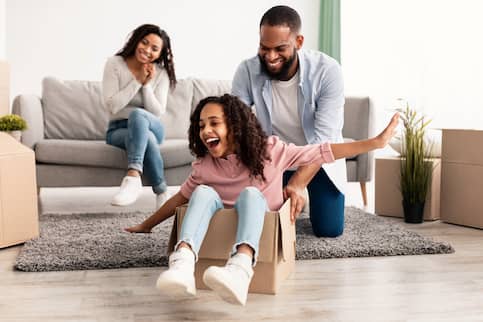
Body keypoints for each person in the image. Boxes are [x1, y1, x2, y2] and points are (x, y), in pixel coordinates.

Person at [125, 94, 399, 306]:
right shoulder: (204, 166)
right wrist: (147, 225)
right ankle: (183, 263)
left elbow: (320, 152)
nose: (205, 130)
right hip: (215, 225)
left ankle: (241, 269)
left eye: (214, 123)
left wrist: (373, 143)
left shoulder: (271, 151)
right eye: (201, 125)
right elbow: (179, 199)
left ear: (235, 126)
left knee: (251, 194)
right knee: (203, 193)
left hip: (257, 226)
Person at [232, 5, 347, 237]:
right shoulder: (247, 70)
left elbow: (323, 138)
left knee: (328, 230)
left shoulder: (328, 71)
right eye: (264, 48)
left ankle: (302, 196)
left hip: (318, 160)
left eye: (280, 48)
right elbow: (236, 123)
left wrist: (297, 182)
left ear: (299, 42)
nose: (271, 56)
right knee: (260, 226)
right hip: (274, 160)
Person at [102, 24, 177, 208]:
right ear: (136, 41)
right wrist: (137, 81)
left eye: (154, 48)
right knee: (147, 139)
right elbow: (113, 106)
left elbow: (157, 111)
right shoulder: (114, 64)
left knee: (138, 115)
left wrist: (146, 85)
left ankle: (133, 176)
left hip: (153, 125)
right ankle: (162, 192)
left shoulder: (161, 74)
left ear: (160, 54)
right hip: (118, 129)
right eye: (145, 43)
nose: (147, 50)